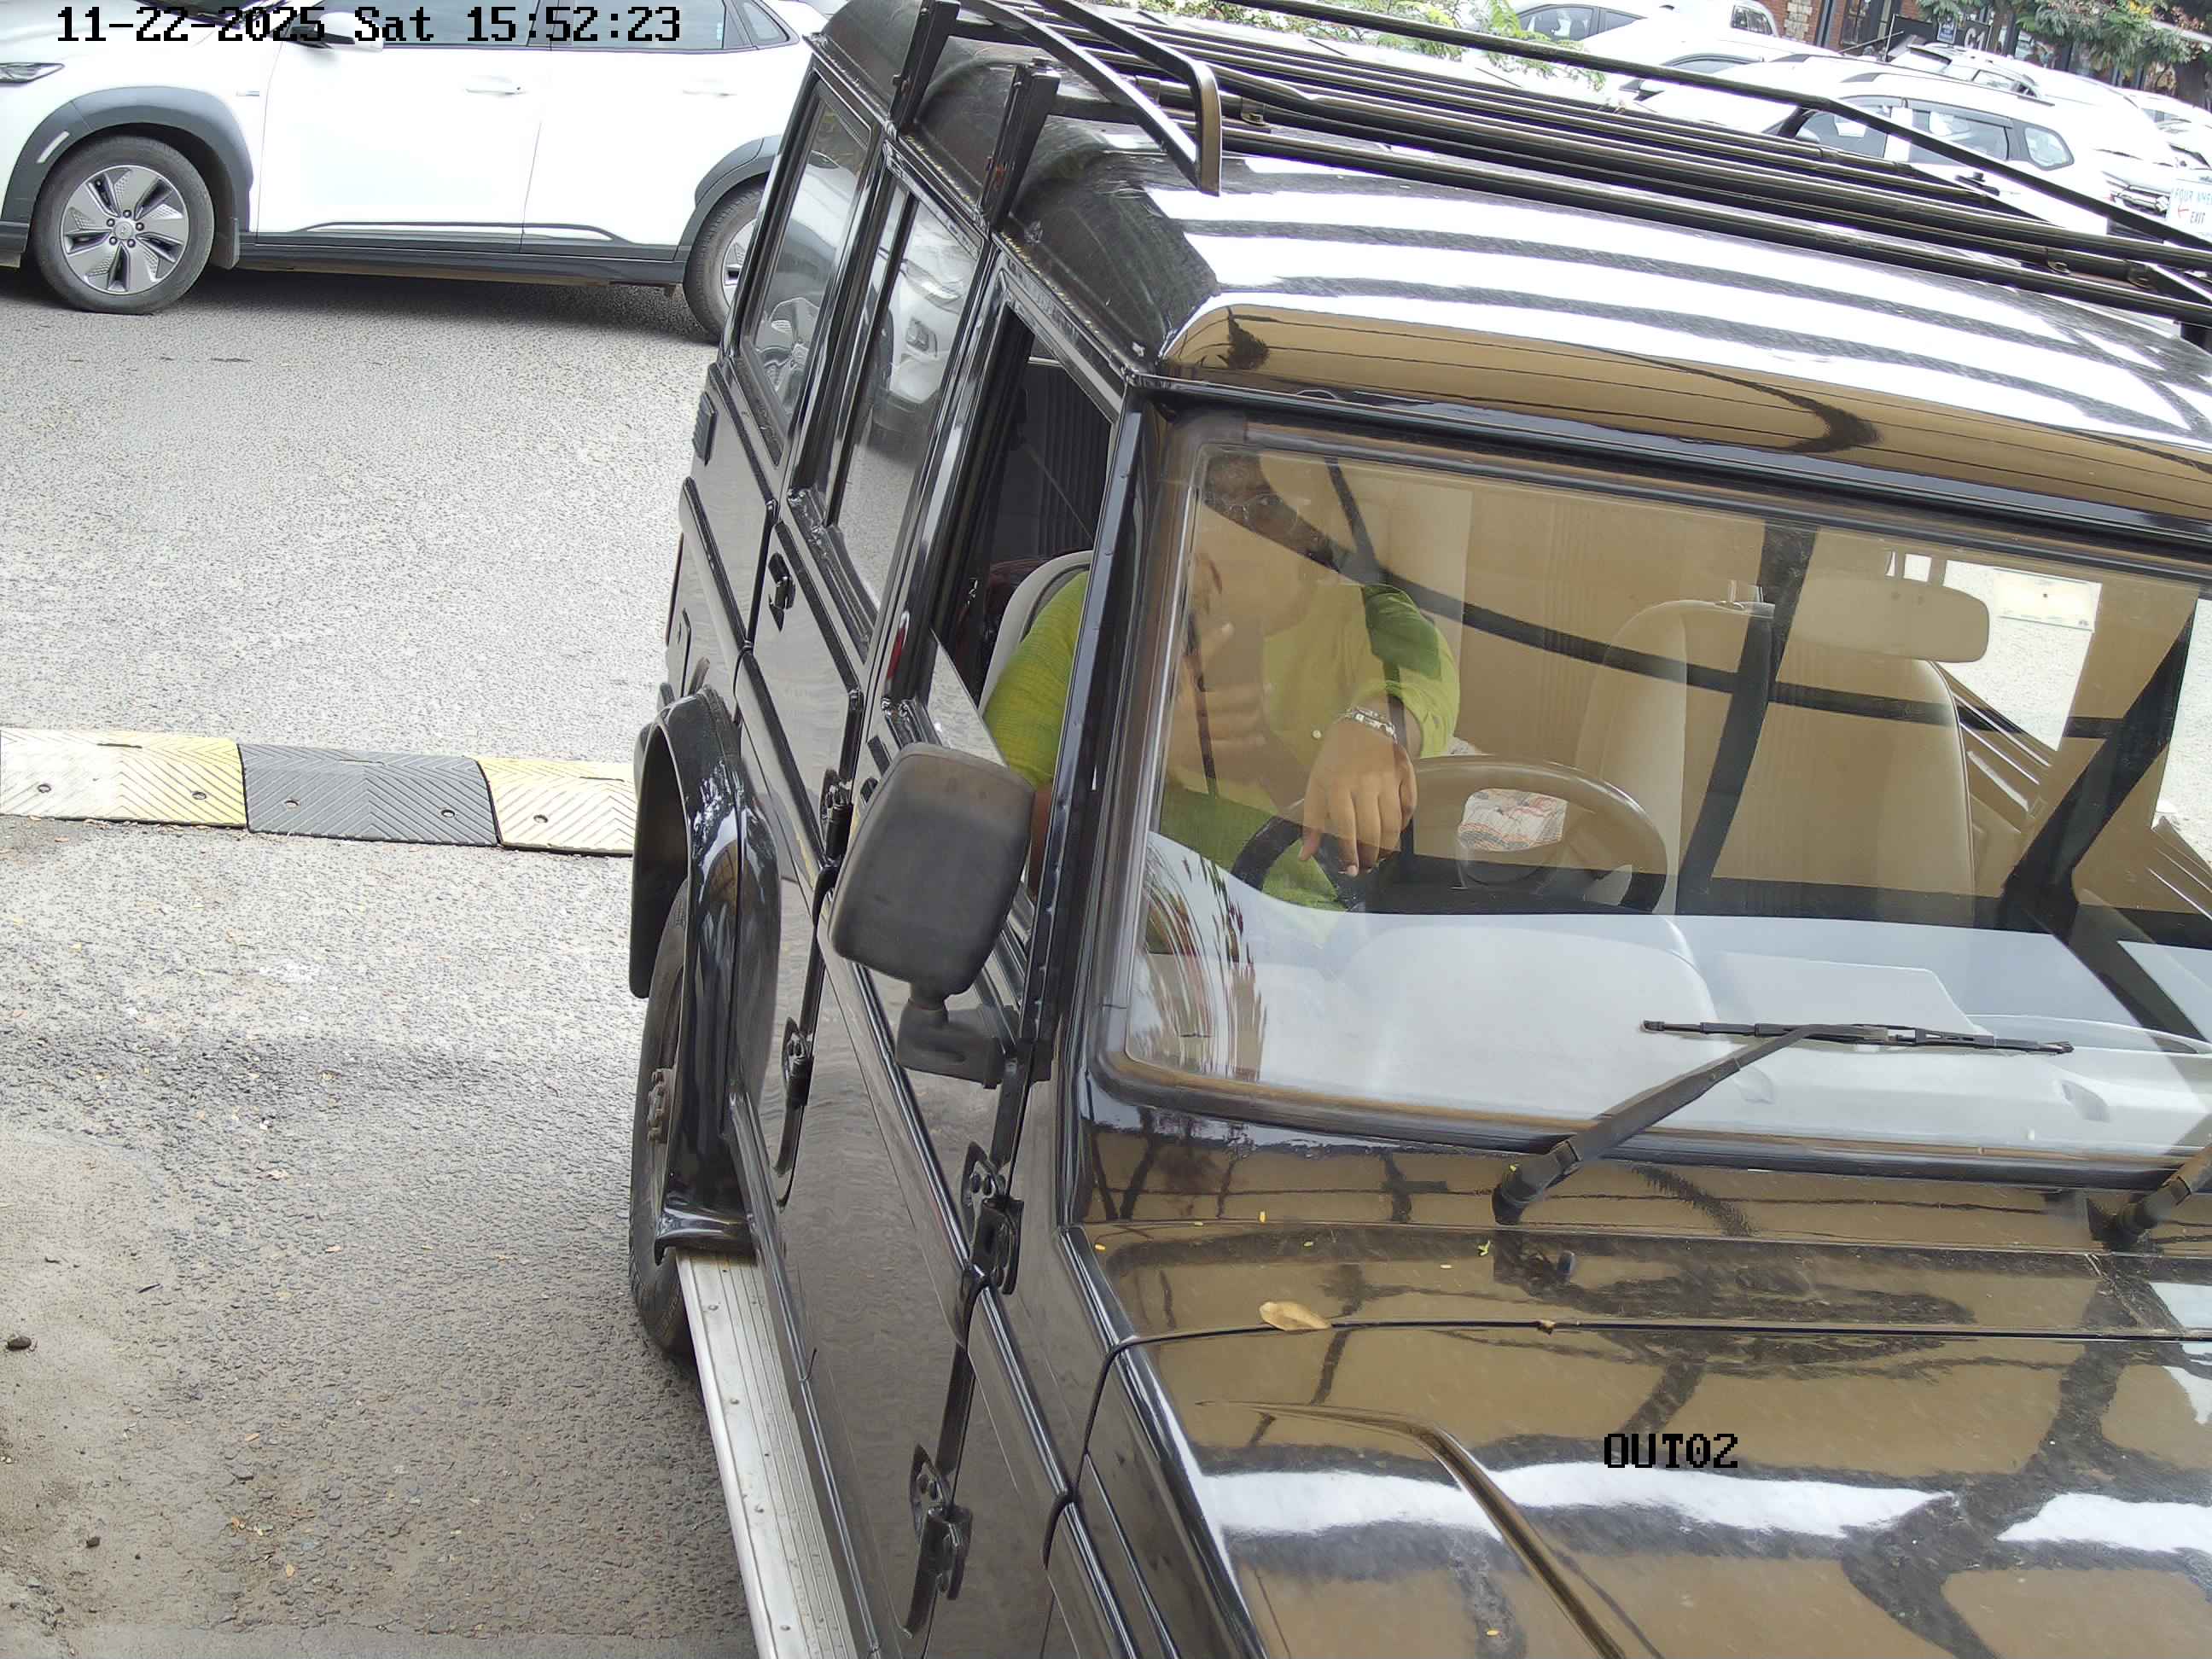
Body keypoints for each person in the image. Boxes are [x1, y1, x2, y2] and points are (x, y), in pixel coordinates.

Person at [983, 448, 1458, 906]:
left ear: (1317, 525)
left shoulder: (1371, 623)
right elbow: (995, 828)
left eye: (1266, 506)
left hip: (1330, 943)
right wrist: (1147, 760)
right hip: (1128, 935)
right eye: (1210, 499)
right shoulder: (1103, 611)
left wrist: (1371, 730)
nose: (1232, 527)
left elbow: (1417, 687)